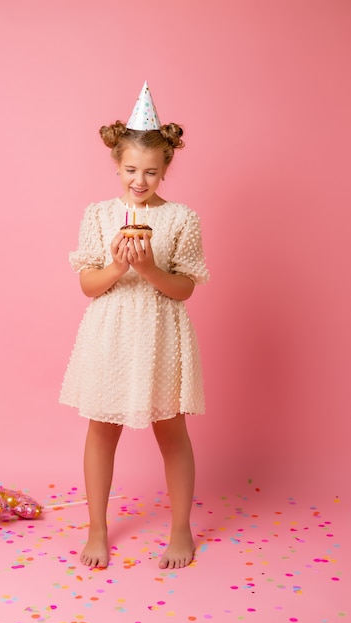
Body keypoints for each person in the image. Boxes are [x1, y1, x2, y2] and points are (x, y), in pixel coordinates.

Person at [60, 82, 209, 570]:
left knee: (172, 431)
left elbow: (185, 288)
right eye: (130, 170)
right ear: (116, 166)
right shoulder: (99, 215)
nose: (139, 180)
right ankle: (98, 529)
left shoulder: (182, 218)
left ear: (166, 169)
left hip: (161, 333)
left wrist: (148, 269)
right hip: (111, 332)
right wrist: (120, 267)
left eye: (150, 171)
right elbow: (88, 284)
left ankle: (181, 528)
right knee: (101, 429)